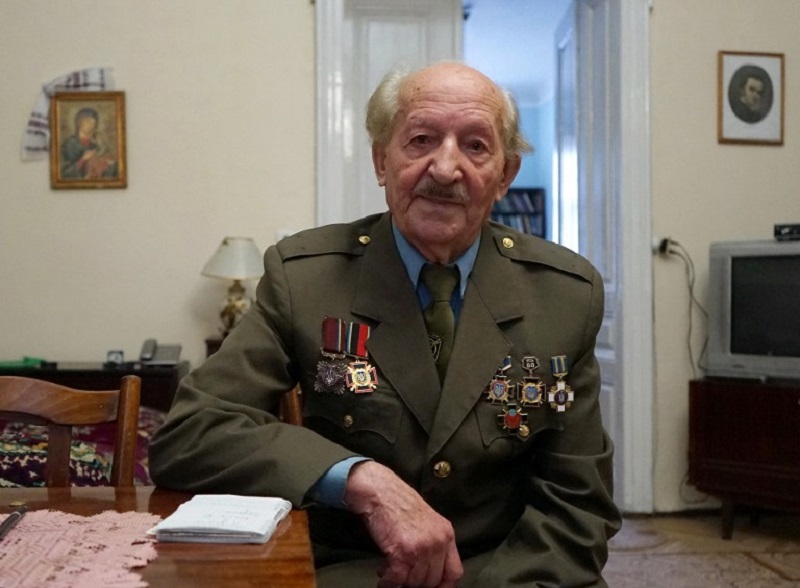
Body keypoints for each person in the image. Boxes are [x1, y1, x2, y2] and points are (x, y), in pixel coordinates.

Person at [149, 61, 621, 587]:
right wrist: (358, 479)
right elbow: (190, 434)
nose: (445, 169)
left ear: (505, 176)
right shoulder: (306, 280)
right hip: (360, 571)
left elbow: (577, 503)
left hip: (514, 571)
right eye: (421, 140)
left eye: (475, 146)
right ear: (381, 160)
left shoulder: (564, 296)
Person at [60, 107, 118, 179]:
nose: (91, 125)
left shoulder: (98, 143)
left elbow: (113, 165)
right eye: (87, 121)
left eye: (93, 122)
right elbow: (63, 173)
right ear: (79, 123)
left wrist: (107, 162)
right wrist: (83, 159)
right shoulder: (69, 145)